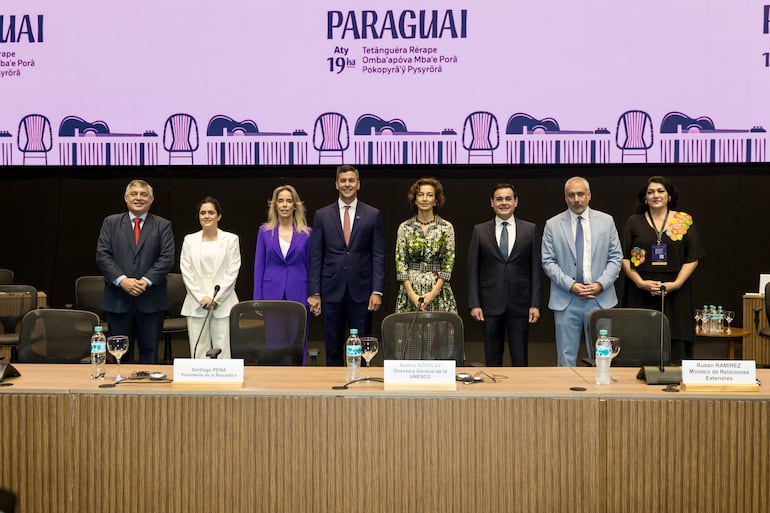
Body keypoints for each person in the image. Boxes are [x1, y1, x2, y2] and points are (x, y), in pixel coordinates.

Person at [621, 176, 705, 363]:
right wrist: (640, 283)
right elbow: (625, 258)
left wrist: (676, 284)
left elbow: (693, 258)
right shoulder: (634, 221)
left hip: (675, 291)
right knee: (640, 340)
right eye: (650, 192)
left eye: (660, 191)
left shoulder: (683, 220)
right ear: (644, 198)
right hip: (641, 290)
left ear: (669, 196)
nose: (655, 195)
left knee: (676, 343)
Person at [308, 165, 386, 366]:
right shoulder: (322, 215)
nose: (347, 184)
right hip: (330, 291)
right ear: (336, 184)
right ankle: (334, 390)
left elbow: (378, 255)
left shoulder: (372, 214)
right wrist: (314, 292)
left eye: (351, 180)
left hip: (362, 292)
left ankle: (359, 390)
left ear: (358, 184)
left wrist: (377, 290)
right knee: (332, 349)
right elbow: (316, 256)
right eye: (343, 181)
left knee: (360, 349)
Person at [541, 176, 622, 367]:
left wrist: (600, 284)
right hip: (566, 299)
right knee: (565, 358)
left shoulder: (606, 221)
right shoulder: (552, 224)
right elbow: (548, 261)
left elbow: (616, 258)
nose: (576, 199)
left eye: (580, 194)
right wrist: (571, 286)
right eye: (571, 195)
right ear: (565, 197)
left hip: (599, 299)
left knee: (602, 359)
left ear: (589, 195)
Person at [96, 179, 175, 363]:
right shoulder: (111, 222)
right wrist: (122, 280)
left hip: (151, 301)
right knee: (120, 356)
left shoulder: (163, 225)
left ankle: (147, 392)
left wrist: (146, 280)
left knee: (150, 353)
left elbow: (167, 258)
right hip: (118, 300)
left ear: (151, 199)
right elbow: (102, 255)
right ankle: (121, 391)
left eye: (143, 194)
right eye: (134, 194)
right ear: (125, 198)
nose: (138, 198)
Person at [468, 183, 541, 366]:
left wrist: (535, 304)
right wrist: (474, 304)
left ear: (516, 202)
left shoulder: (530, 230)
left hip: (521, 304)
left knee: (520, 359)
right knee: (492, 359)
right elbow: (472, 270)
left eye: (508, 198)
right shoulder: (480, 230)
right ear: (492, 203)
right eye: (499, 199)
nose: (504, 203)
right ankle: (493, 394)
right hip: (489, 305)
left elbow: (536, 270)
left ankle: (520, 393)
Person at [253, 185, 312, 362]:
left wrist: (313, 295)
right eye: (280, 201)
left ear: (295, 205)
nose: (285, 205)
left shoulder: (307, 233)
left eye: (288, 201)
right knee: (274, 343)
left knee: (298, 342)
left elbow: (311, 266)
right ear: (275, 205)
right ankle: (275, 383)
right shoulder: (264, 232)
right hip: (272, 294)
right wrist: (258, 299)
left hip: (299, 293)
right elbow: (259, 266)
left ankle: (298, 382)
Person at [179, 196, 241, 359]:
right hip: (196, 303)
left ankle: (224, 384)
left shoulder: (231, 239)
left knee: (223, 351)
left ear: (218, 216)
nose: (206, 216)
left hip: (223, 303)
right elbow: (186, 271)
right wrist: (202, 297)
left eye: (211, 212)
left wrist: (216, 298)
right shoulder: (189, 240)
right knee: (199, 351)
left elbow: (232, 271)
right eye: (202, 213)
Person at [395, 177, 457, 314]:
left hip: (438, 291)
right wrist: (413, 296)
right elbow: (401, 265)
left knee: (439, 335)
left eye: (429, 195)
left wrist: (432, 295)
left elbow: (448, 265)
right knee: (409, 335)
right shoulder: (405, 228)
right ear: (415, 199)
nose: (424, 199)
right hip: (410, 292)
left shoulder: (446, 228)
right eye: (420, 194)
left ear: (436, 201)